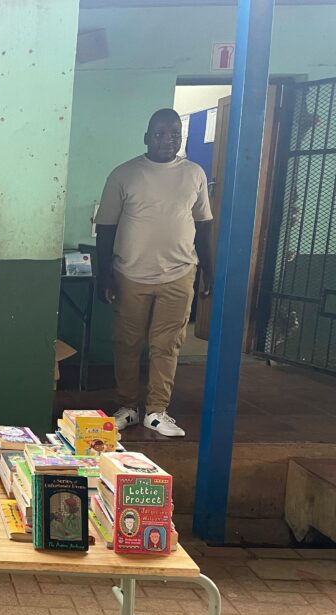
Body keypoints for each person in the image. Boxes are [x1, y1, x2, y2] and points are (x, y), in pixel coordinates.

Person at [94, 108, 214, 438]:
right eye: (160, 133)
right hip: (130, 275)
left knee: (168, 345)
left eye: (174, 133)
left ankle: (157, 411)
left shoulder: (194, 174)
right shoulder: (124, 174)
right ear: (147, 137)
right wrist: (104, 275)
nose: (167, 140)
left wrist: (209, 270)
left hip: (180, 273)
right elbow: (105, 229)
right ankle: (128, 407)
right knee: (127, 343)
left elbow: (204, 226)